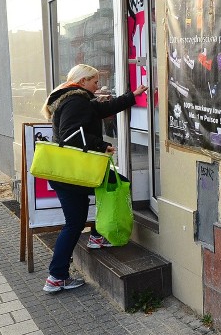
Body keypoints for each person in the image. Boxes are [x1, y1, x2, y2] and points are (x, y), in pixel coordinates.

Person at [40, 64, 146, 293]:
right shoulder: (76, 101)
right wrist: (101, 144)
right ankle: (69, 264)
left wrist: (132, 96)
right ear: (82, 81)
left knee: (74, 223)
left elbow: (102, 110)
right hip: (76, 173)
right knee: (118, 184)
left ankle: (57, 276)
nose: (97, 86)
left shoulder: (72, 99)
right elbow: (70, 135)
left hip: (66, 173)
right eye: (95, 82)